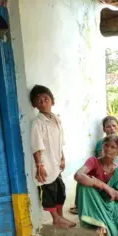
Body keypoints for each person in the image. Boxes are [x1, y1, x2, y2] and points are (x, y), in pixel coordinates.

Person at [30, 85, 75, 228]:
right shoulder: (37, 123)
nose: (43, 102)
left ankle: (60, 216)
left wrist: (63, 158)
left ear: (52, 101)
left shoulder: (56, 119)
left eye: (46, 99)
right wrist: (39, 166)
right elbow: (36, 147)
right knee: (48, 191)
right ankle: (55, 218)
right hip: (44, 164)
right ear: (34, 104)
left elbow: (60, 141)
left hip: (56, 162)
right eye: (39, 100)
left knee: (60, 189)